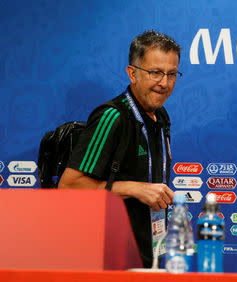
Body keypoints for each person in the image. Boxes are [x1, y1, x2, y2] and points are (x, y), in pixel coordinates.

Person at [58, 30, 181, 267]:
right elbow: (69, 185)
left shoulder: (161, 116)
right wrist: (135, 189)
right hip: (109, 258)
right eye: (155, 72)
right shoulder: (112, 116)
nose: (164, 83)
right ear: (132, 73)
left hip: (149, 256)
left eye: (172, 74)